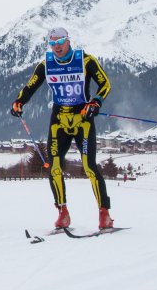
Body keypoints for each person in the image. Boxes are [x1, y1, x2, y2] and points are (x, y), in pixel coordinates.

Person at [10, 27, 114, 229]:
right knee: (54, 167)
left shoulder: (85, 60)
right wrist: (19, 102)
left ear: (68, 41)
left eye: (60, 42)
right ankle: (62, 212)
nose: (57, 47)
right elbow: (30, 86)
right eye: (53, 43)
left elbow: (105, 84)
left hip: (82, 119)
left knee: (89, 166)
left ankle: (104, 213)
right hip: (59, 120)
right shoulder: (46, 65)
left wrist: (96, 102)